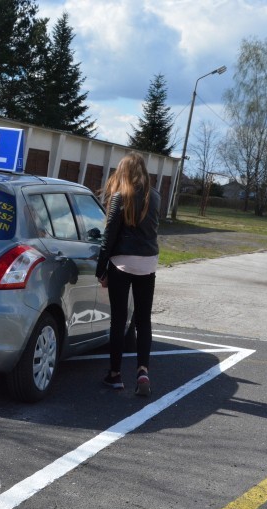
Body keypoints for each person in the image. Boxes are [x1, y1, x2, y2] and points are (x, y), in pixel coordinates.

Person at [95, 153, 160, 395]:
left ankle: (115, 375)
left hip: (121, 263)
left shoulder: (121, 195)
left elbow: (109, 234)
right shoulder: (155, 196)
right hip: (148, 263)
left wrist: (101, 270)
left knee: (119, 319)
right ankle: (143, 371)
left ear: (123, 170)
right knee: (144, 321)